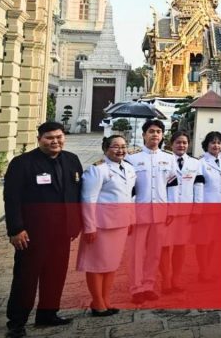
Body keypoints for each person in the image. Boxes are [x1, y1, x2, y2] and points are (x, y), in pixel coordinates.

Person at [4, 122, 83, 338]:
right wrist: (16, 229)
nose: (55, 141)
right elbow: (12, 199)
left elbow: (75, 195)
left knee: (55, 275)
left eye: (59, 136)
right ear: (39, 139)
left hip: (62, 233)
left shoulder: (71, 160)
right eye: (50, 138)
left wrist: (75, 223)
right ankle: (17, 322)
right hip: (32, 233)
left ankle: (48, 313)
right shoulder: (23, 163)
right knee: (26, 278)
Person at [78, 135, 136, 316]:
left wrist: (132, 219)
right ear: (105, 149)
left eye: (124, 146)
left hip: (120, 224)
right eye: (115, 146)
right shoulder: (97, 170)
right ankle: (97, 302)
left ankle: (106, 300)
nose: (121, 150)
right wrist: (89, 227)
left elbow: (130, 197)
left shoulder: (128, 168)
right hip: (101, 226)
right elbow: (88, 199)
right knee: (96, 264)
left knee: (111, 264)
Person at [125, 119, 178, 304]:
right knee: (136, 252)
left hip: (161, 211)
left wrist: (173, 208)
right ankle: (136, 288)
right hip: (139, 211)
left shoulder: (169, 158)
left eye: (158, 131)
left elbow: (172, 185)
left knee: (155, 252)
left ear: (162, 135)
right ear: (143, 135)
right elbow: (129, 189)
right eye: (151, 131)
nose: (155, 134)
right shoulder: (132, 159)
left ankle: (148, 285)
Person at [161, 131, 202, 294]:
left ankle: (176, 279)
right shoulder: (163, 161)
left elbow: (198, 186)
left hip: (186, 211)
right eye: (178, 142)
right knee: (164, 246)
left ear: (189, 144)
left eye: (185, 142)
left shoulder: (195, 163)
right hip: (166, 211)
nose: (181, 145)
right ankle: (165, 279)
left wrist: (197, 208)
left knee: (180, 246)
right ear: (171, 144)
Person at [198, 131, 221, 280]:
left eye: (218, 142)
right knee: (204, 241)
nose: (216, 145)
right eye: (213, 142)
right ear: (207, 145)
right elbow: (198, 187)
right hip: (207, 207)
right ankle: (203, 270)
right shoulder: (201, 163)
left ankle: (210, 268)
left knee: (215, 241)